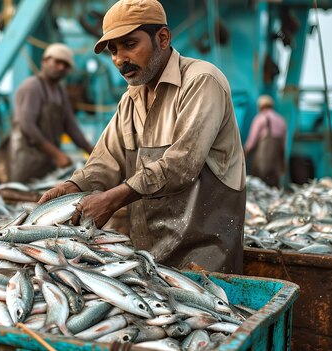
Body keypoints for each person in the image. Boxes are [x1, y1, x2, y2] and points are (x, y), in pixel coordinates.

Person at [40, 0, 246, 273]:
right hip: (150, 258)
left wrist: (112, 200)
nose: (119, 59)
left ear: (162, 38)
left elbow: (181, 165)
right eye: (113, 50)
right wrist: (72, 187)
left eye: (130, 44)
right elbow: (105, 163)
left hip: (205, 258)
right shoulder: (130, 100)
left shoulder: (201, 81)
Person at [6, 43, 94, 183]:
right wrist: (57, 154)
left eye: (66, 65)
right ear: (44, 61)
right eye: (57, 62)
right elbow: (27, 125)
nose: (61, 68)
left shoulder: (60, 91)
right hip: (26, 164)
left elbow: (71, 127)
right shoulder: (32, 86)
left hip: (48, 165)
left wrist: (94, 152)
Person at [244, 94, 287, 188]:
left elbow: (251, 143)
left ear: (260, 106)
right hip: (275, 167)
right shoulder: (281, 120)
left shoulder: (260, 118)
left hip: (260, 165)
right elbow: (283, 147)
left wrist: (243, 156)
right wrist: (283, 165)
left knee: (257, 188)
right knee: (272, 191)